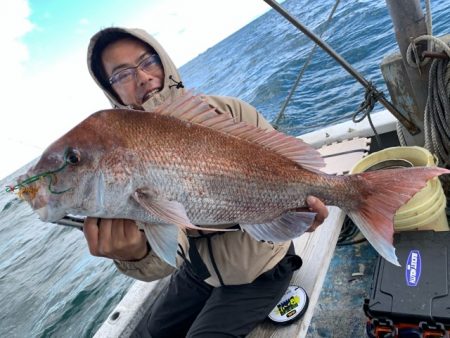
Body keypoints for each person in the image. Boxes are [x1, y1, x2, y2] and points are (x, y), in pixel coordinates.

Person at [84, 27, 329, 337]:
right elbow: (171, 251)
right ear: (112, 92)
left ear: (165, 61)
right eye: (121, 75)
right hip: (199, 274)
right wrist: (137, 254)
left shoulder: (231, 113)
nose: (143, 77)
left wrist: (300, 215)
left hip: (262, 269)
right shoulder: (125, 160)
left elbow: (291, 168)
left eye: (148, 61)